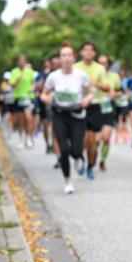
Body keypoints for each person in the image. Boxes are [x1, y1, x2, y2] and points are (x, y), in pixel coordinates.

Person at [41, 43, 92, 194]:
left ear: (74, 58)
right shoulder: (53, 76)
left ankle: (78, 157)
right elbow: (43, 94)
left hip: (77, 115)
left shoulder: (81, 75)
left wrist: (86, 100)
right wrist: (47, 99)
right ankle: (68, 181)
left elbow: (90, 92)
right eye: (63, 55)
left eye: (69, 55)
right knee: (63, 149)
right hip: (60, 114)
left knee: (76, 150)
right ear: (59, 59)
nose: (67, 58)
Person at [73, 41, 109, 180]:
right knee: (81, 139)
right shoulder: (75, 67)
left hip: (95, 105)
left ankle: (90, 165)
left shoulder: (100, 68)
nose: (88, 52)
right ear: (81, 52)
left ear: (94, 53)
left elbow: (107, 87)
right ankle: (79, 157)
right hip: (79, 105)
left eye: (91, 50)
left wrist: (96, 84)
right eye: (85, 50)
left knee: (92, 140)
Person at [96, 54, 122, 171]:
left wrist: (114, 94)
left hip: (108, 109)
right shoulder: (93, 75)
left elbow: (120, 92)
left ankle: (102, 160)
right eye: (100, 63)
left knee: (106, 137)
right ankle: (92, 157)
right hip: (95, 109)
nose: (102, 65)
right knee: (95, 140)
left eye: (105, 63)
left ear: (108, 64)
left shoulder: (114, 76)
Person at [9, 54, 37, 148]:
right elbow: (12, 85)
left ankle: (29, 138)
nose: (22, 62)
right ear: (17, 62)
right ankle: (21, 138)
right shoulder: (14, 72)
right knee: (21, 120)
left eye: (23, 60)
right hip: (18, 97)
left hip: (28, 97)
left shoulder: (29, 71)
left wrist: (32, 88)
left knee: (28, 118)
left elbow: (33, 82)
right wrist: (19, 77)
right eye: (20, 60)